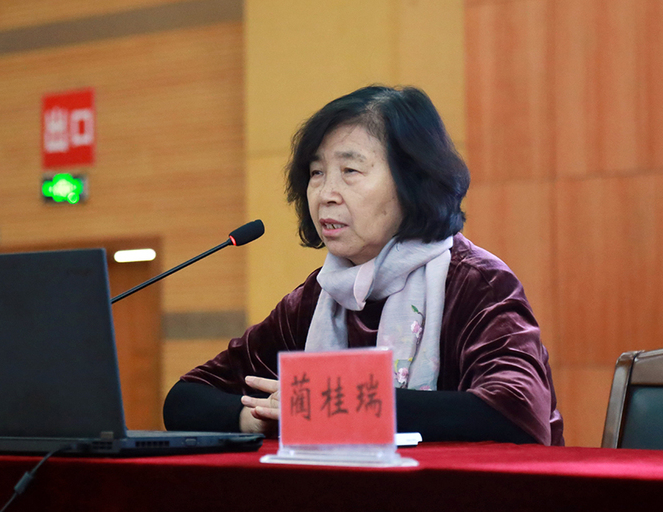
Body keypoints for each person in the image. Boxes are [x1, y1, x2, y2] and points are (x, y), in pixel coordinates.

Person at [163, 85, 564, 446]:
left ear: (412, 182)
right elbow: (185, 399)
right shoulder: (317, 298)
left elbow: (514, 410)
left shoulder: (476, 282)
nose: (326, 193)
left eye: (350, 171)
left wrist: (329, 405)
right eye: (317, 173)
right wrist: (252, 418)